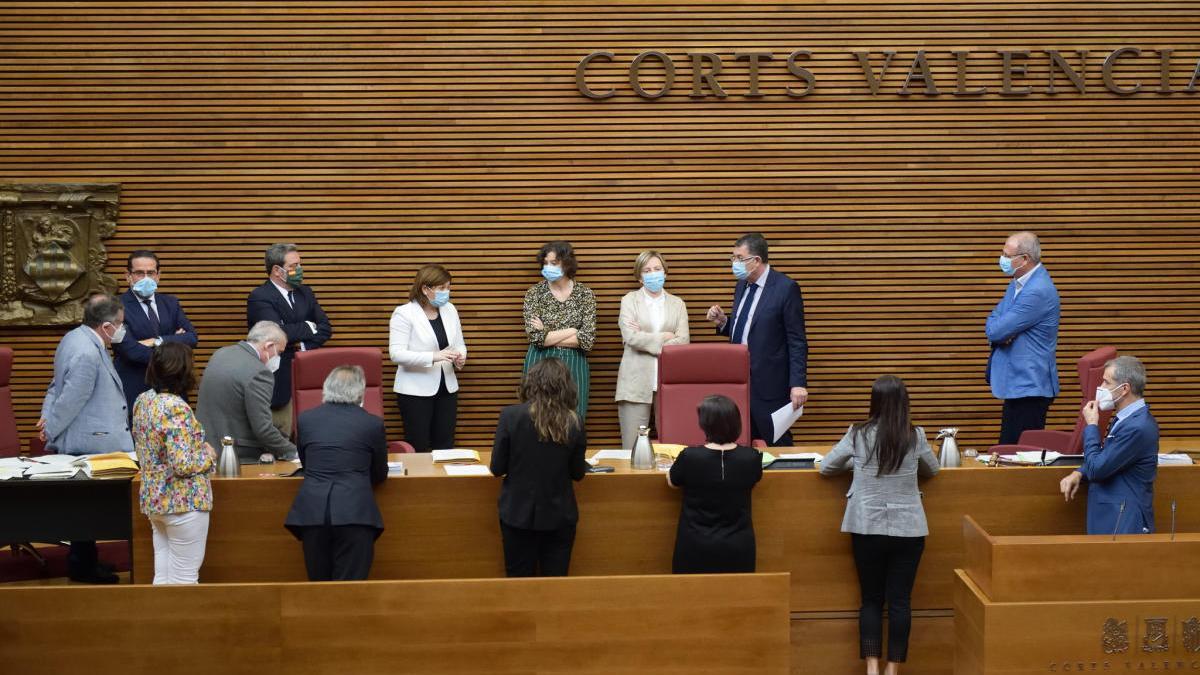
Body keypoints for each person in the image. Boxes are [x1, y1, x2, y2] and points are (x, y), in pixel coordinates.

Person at [819, 375, 939, 675]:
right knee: (900, 602)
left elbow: (826, 467)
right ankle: (892, 670)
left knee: (871, 600)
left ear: (873, 402)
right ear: (904, 403)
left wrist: (856, 463)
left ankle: (872, 669)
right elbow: (933, 470)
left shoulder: (858, 434)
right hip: (908, 529)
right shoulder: (915, 435)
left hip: (866, 527)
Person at [38, 293, 133, 583]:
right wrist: (51, 426)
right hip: (92, 442)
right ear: (106, 326)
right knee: (89, 508)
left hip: (90, 436)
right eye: (119, 324)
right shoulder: (87, 352)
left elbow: (55, 386)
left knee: (85, 507)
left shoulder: (73, 338)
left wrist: (46, 416)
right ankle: (83, 567)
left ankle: (85, 561)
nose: (121, 329)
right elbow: (70, 399)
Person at [285, 366, 388, 581]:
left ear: (326, 389)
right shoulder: (372, 423)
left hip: (312, 513)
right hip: (354, 513)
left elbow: (306, 461)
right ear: (360, 393)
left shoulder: (306, 420)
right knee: (349, 589)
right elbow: (379, 473)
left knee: (318, 584)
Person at [706, 233, 808, 446]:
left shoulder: (786, 288)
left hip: (770, 384)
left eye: (739, 258)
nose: (734, 263)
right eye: (732, 258)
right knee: (741, 443)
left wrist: (797, 383)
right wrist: (725, 323)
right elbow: (749, 328)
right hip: (738, 381)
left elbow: (796, 340)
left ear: (757, 261)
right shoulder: (742, 285)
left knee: (775, 444)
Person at [490, 358, 588, 577]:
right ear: (566, 387)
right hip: (559, 516)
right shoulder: (574, 421)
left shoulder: (510, 416)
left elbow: (497, 468)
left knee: (518, 583)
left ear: (531, 383)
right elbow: (578, 474)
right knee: (555, 587)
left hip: (517, 514)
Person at [132, 342, 216, 585]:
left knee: (163, 576)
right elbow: (183, 464)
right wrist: (208, 454)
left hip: (154, 500)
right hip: (183, 502)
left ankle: (160, 623)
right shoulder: (176, 407)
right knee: (185, 578)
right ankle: (183, 625)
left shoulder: (143, 400)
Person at [1059, 356, 1159, 535]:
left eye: (1106, 382)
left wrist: (1091, 426)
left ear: (1125, 388)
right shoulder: (1126, 419)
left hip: (1124, 521)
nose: (1101, 388)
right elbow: (1111, 457)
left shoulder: (1138, 427)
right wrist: (1079, 472)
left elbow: (1098, 468)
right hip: (1113, 518)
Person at [667, 394, 763, 574]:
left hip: (694, 544)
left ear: (705, 424)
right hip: (739, 546)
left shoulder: (690, 456)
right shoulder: (751, 458)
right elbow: (753, 480)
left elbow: (672, 482)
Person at [247, 243, 333, 438]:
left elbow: (325, 328)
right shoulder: (260, 297)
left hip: (308, 376)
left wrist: (301, 345)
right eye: (294, 266)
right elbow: (273, 333)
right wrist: (308, 326)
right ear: (277, 271)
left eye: (300, 265)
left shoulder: (306, 293)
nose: (300, 270)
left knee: (311, 434)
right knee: (282, 436)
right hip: (278, 380)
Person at [986, 231, 1060, 445]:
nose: (1003, 260)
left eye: (1007, 255)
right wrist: (1002, 330)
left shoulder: (1037, 291)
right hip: (1019, 385)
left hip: (1030, 388)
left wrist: (1002, 332)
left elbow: (996, 331)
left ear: (1025, 259)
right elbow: (994, 320)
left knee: (1018, 459)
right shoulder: (1018, 282)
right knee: (1008, 452)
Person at [615, 250, 690, 449]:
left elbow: (683, 342)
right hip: (635, 383)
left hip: (670, 383)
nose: (653, 273)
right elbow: (631, 337)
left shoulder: (678, 304)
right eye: (647, 270)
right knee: (632, 449)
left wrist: (646, 338)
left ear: (665, 273)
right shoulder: (629, 300)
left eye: (657, 269)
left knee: (674, 448)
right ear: (639, 277)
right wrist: (665, 337)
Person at [389, 264, 467, 452]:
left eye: (448, 288)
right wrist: (433, 356)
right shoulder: (404, 313)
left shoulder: (450, 309)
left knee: (445, 445)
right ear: (425, 289)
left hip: (447, 388)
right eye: (441, 288)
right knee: (418, 446)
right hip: (414, 391)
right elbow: (396, 354)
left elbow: (459, 343)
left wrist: (460, 357)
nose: (446, 292)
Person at [112, 250, 198, 419]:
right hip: (135, 392)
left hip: (173, 391)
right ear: (127, 275)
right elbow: (130, 351)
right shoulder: (116, 306)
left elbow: (192, 338)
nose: (145, 278)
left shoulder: (171, 303)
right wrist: (174, 345)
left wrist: (156, 340)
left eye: (150, 273)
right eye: (139, 273)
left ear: (158, 275)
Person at [195, 321, 296, 463]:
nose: (278, 358)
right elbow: (263, 429)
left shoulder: (220, 353)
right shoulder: (259, 372)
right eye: (279, 352)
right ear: (268, 346)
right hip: (240, 456)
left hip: (207, 448)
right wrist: (293, 452)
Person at [522, 241, 595, 423]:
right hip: (539, 361)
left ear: (567, 263)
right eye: (545, 263)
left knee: (574, 419)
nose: (548, 267)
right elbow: (536, 338)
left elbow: (587, 340)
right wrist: (572, 330)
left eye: (553, 263)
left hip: (575, 363)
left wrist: (547, 332)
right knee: (535, 418)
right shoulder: (535, 293)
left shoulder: (584, 294)